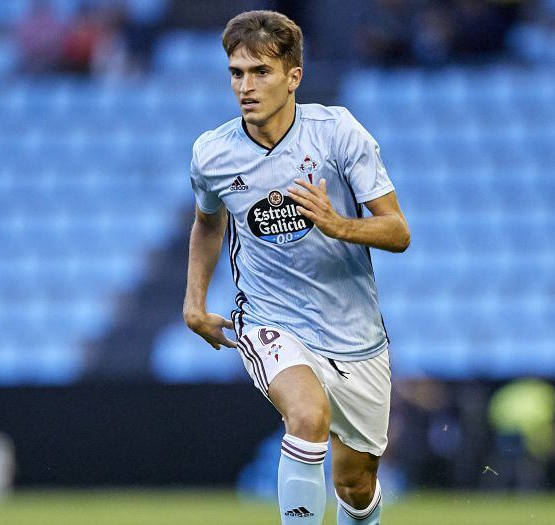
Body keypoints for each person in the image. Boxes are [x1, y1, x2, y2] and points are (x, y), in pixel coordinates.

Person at [183, 11, 409, 524]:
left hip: (355, 334)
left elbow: (398, 231)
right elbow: (208, 223)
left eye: (260, 71)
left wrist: (338, 224)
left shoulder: (338, 134)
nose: (245, 85)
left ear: (293, 77)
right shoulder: (212, 154)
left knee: (355, 483)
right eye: (236, 72)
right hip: (271, 318)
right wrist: (194, 303)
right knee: (306, 417)